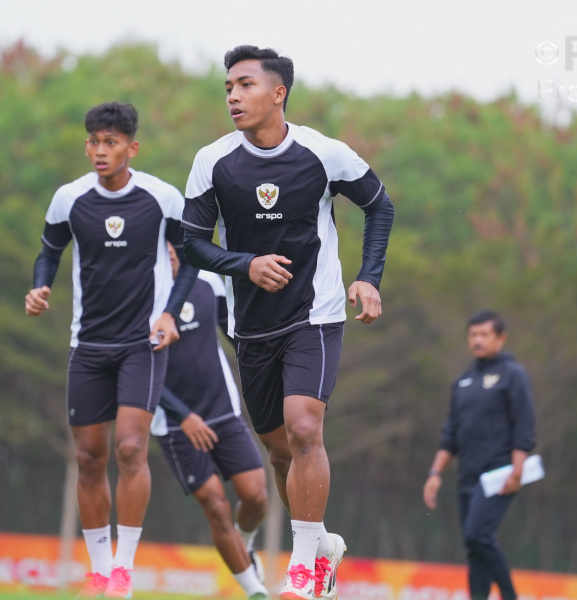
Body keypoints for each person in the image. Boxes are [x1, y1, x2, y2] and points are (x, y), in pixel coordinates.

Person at [181, 45, 395, 600]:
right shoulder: (214, 162)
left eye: (245, 85)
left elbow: (380, 205)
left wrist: (369, 276)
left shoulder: (323, 154)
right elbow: (191, 243)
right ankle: (320, 543)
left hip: (315, 315)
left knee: (304, 429)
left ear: (278, 93)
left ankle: (303, 568)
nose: (232, 95)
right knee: (279, 449)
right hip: (250, 326)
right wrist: (244, 265)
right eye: (228, 86)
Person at [24, 102, 198, 599]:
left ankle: (123, 570)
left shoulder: (162, 198)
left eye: (111, 143)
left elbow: (190, 262)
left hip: (143, 343)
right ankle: (98, 571)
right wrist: (40, 286)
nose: (100, 151)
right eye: (94, 142)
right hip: (88, 344)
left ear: (131, 148)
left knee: (129, 447)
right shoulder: (69, 199)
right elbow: (49, 250)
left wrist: (169, 313)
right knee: (88, 457)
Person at [150, 242, 269, 599]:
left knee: (256, 497)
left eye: (174, 243)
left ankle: (243, 544)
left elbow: (232, 333)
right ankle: (254, 590)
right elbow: (139, 371)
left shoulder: (208, 282)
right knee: (216, 504)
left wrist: (266, 366)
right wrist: (185, 418)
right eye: (161, 244)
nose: (169, 250)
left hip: (222, 409)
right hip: (175, 424)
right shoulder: (140, 297)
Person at [423, 310, 536, 600]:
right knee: (474, 548)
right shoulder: (463, 382)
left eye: (484, 334)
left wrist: (517, 471)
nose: (478, 340)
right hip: (467, 477)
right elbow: (450, 434)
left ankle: (510, 595)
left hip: (499, 475)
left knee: (478, 536)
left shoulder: (513, 374)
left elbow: (524, 426)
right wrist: (435, 474)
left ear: (501, 338)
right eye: (473, 335)